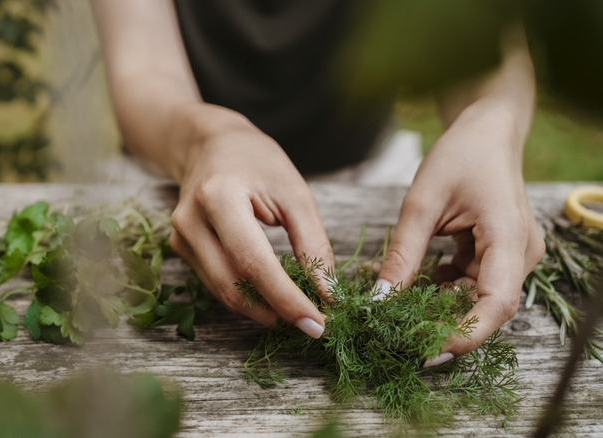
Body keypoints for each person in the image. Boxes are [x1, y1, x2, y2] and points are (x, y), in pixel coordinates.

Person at [89, 0, 545, 367]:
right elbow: (142, 68)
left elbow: (479, 42)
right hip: (183, 165)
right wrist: (205, 138)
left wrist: (492, 123)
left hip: (369, 173)